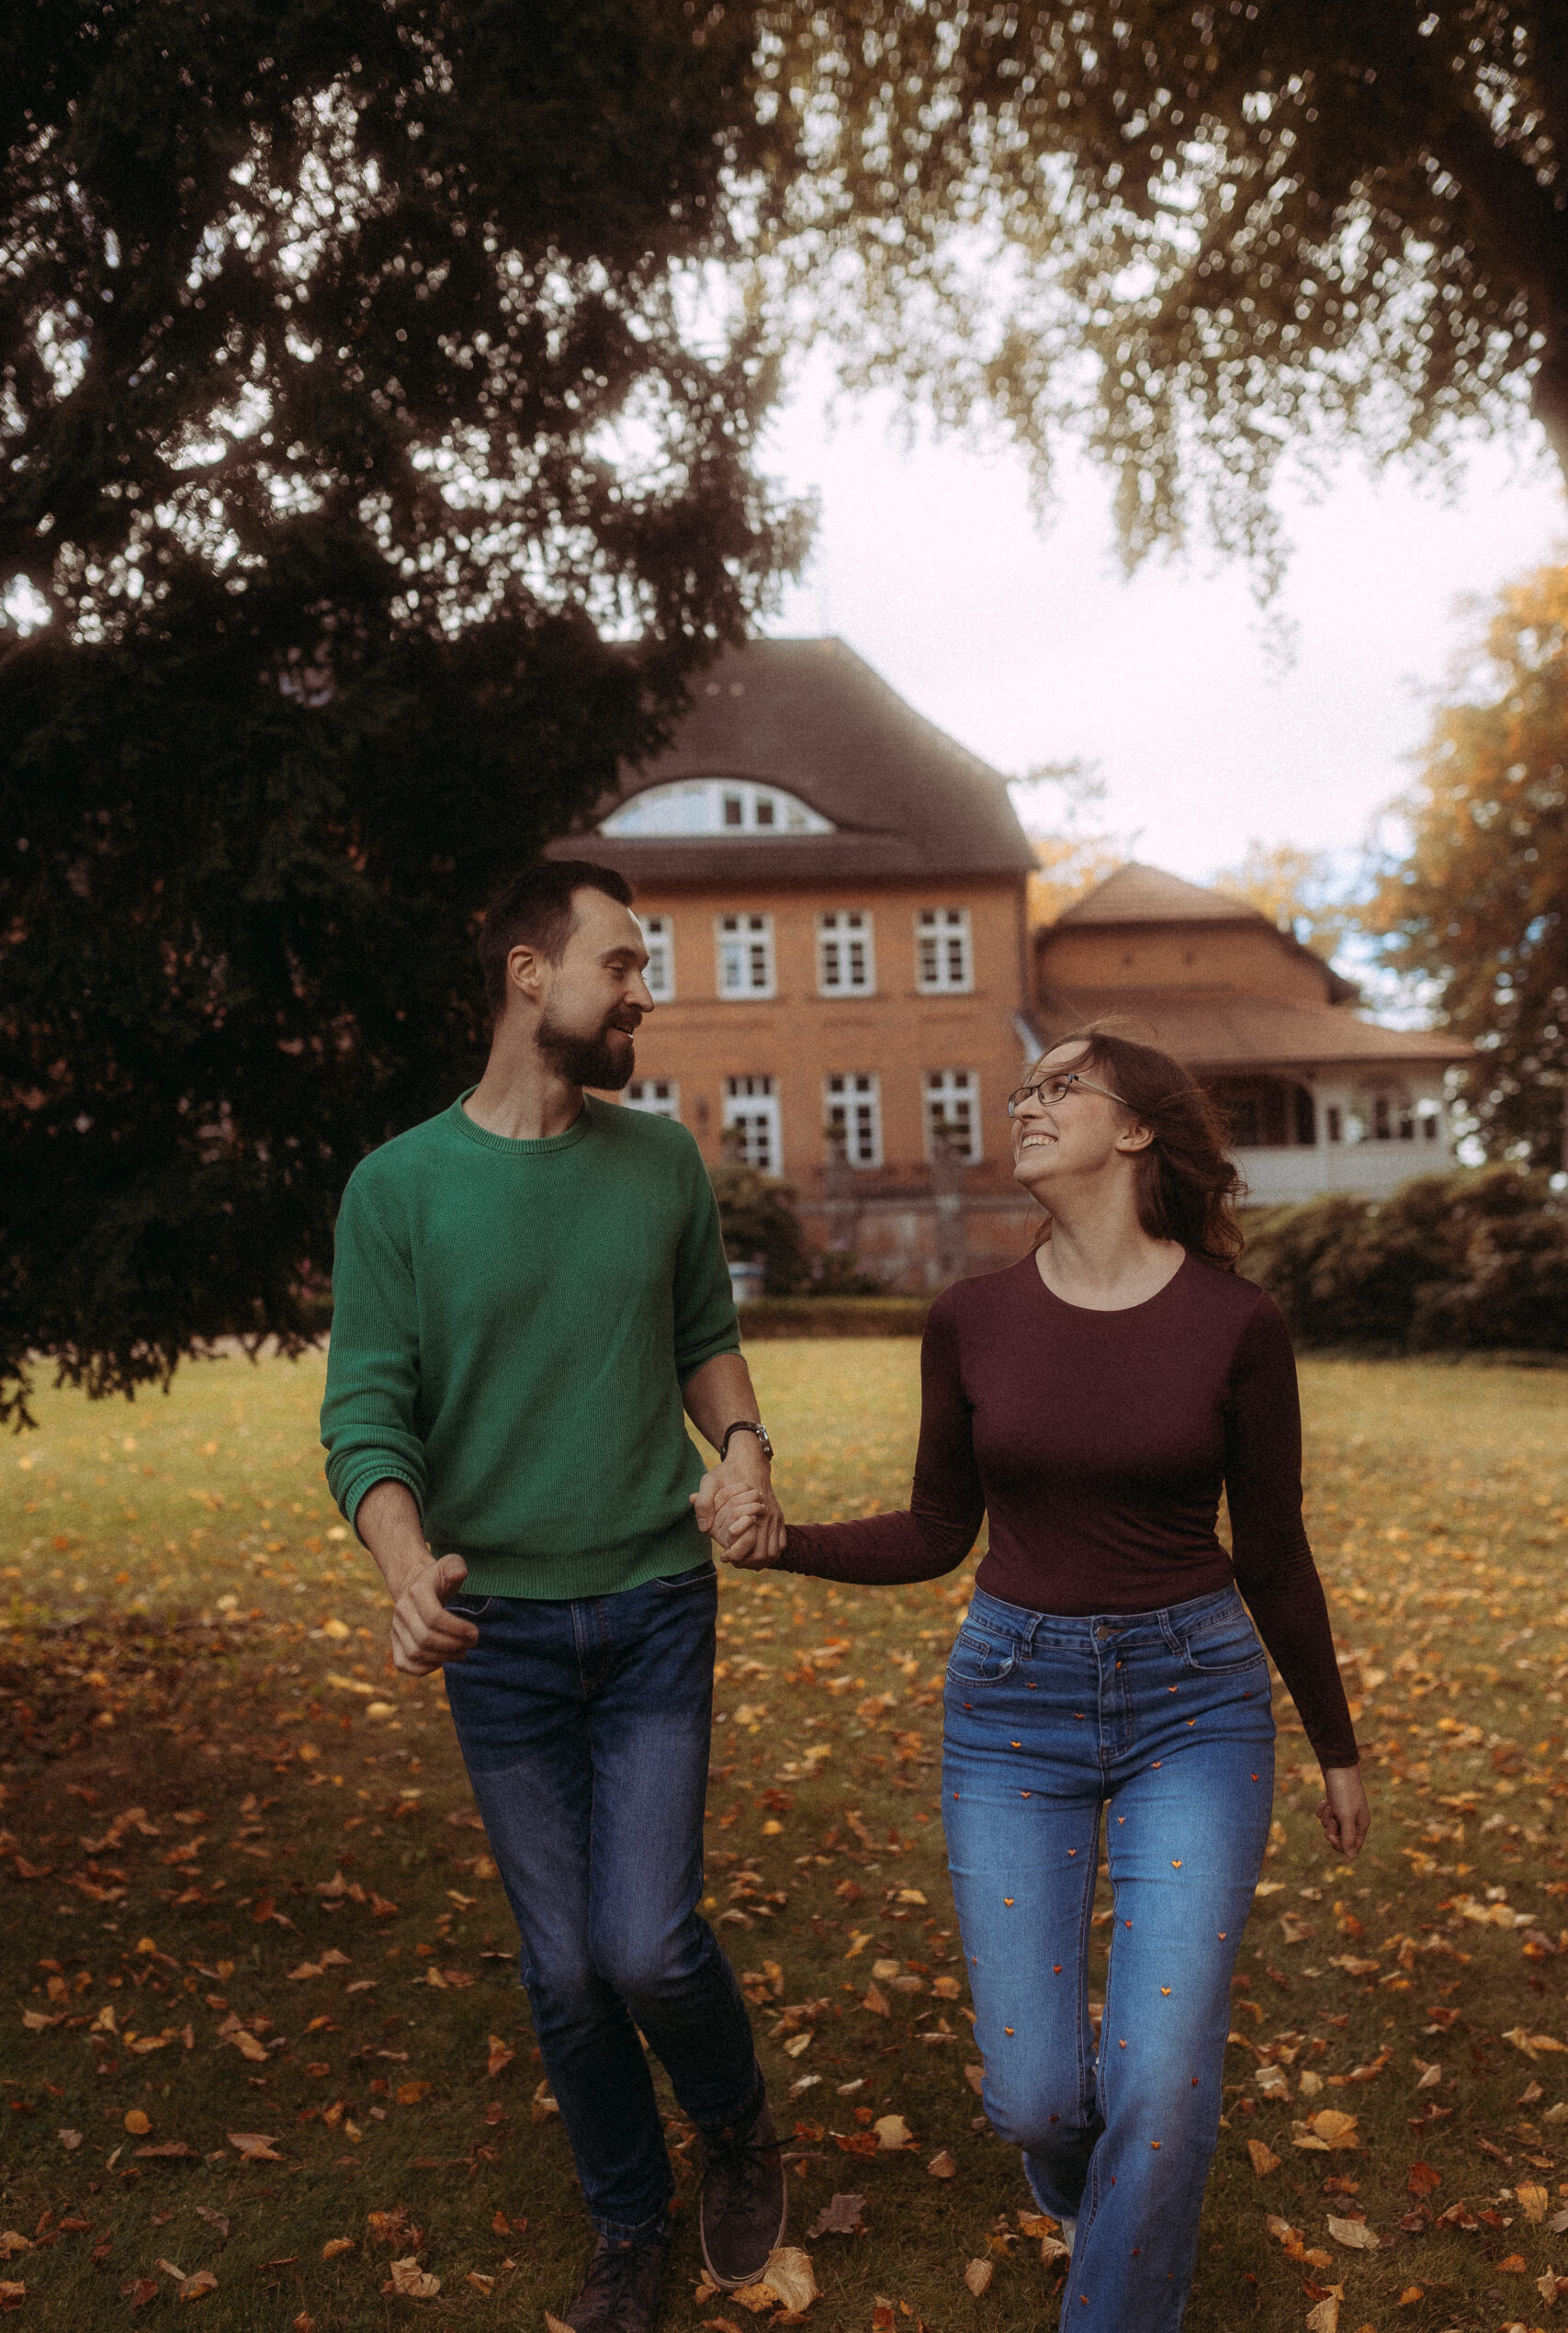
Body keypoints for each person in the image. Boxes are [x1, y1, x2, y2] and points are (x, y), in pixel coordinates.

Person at [707, 1026, 1370, 2333]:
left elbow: (1275, 1553)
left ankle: (1118, 2292)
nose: (1026, 1104)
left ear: (1137, 1128)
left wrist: (1336, 1745)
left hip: (1196, 1704)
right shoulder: (972, 1319)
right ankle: (1100, 2203)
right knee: (1036, 2101)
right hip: (1014, 1707)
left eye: (1061, 1085)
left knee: (1161, 2086)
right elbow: (935, 1530)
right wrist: (788, 1543)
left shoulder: (1236, 1324)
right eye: (1024, 1089)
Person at [321, 859, 791, 2333]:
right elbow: (366, 1414)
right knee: (567, 1971)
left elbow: (704, 1340)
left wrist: (746, 1450)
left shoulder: (658, 1165)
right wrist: (407, 1569)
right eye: (623, 964)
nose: (645, 991)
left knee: (645, 1943)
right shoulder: (397, 1188)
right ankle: (626, 2221)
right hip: (501, 1632)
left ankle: (739, 2125)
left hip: (651, 1603)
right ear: (531, 975)